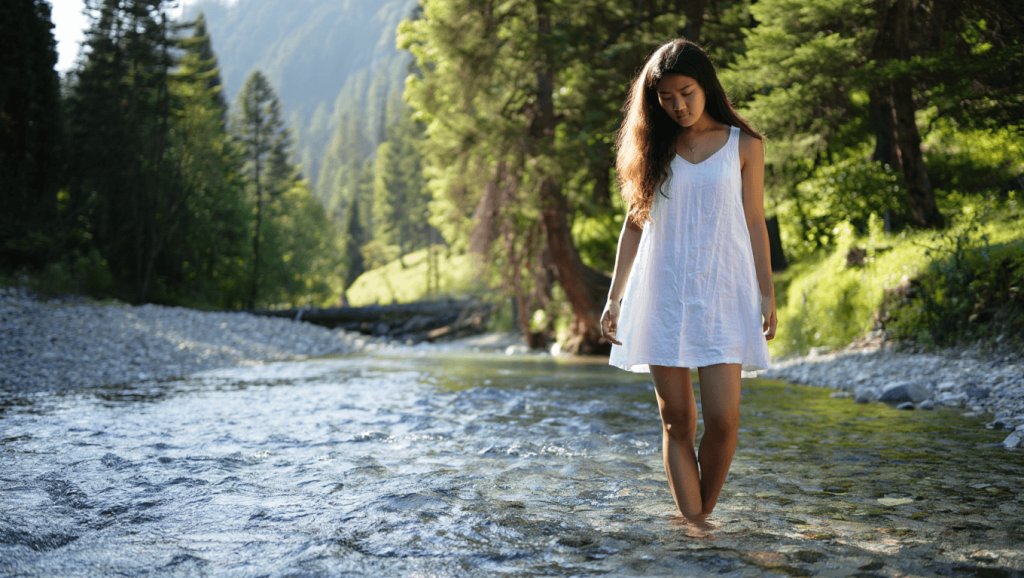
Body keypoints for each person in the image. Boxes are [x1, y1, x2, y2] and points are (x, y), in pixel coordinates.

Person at [600, 39, 777, 526]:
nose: (677, 105)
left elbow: (756, 221)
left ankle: (696, 521)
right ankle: (697, 530)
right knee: (678, 422)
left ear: (706, 85)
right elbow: (634, 226)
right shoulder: (652, 149)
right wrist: (614, 298)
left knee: (723, 422)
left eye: (686, 92)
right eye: (666, 97)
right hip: (662, 292)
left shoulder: (745, 145)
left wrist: (767, 292)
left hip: (725, 291)